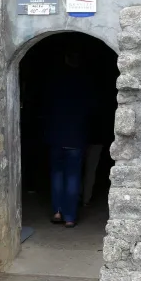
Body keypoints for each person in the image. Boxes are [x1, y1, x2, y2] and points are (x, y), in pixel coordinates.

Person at [42, 50, 92, 228]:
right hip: (76, 137)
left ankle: (57, 211)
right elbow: (90, 109)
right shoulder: (85, 82)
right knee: (73, 177)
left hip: (56, 136)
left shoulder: (54, 81)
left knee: (57, 174)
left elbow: (45, 107)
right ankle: (70, 216)